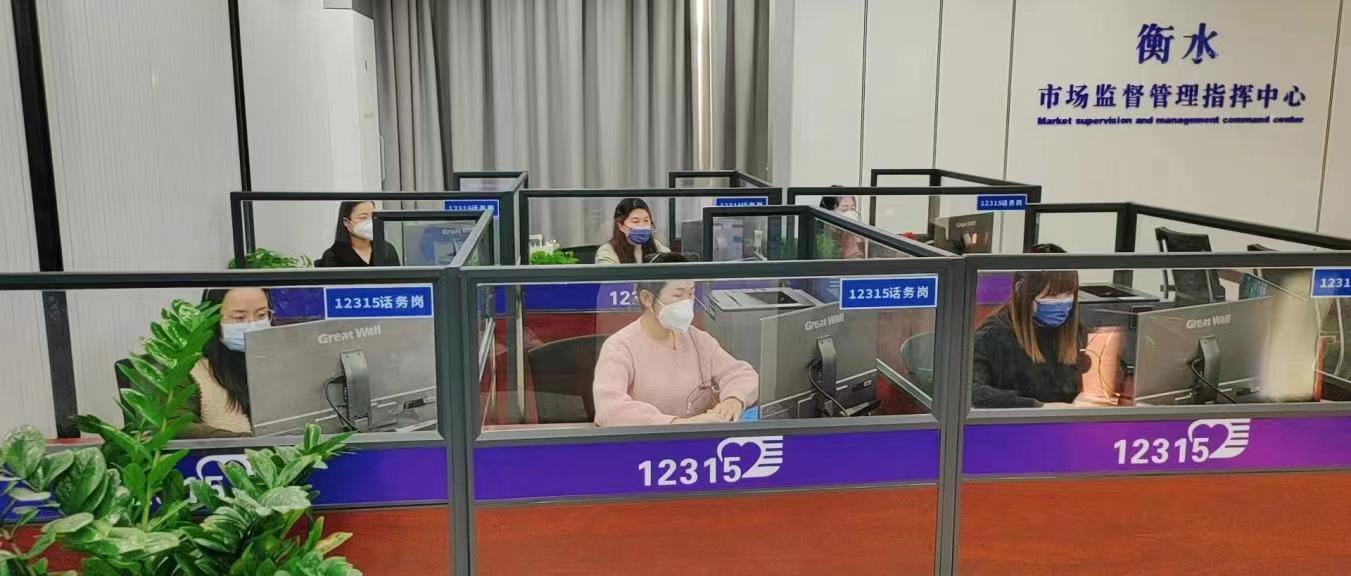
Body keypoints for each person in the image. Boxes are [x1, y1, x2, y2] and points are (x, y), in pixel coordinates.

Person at [592, 253, 758, 425]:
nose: (687, 303)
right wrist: (677, 424)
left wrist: (734, 399)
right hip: (649, 440)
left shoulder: (698, 339)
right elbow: (609, 410)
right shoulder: (619, 347)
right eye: (678, 296)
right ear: (647, 298)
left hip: (701, 439)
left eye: (691, 294)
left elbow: (742, 374)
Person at [971, 243, 1085, 408]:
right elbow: (973, 392)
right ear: (1022, 291)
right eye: (1051, 295)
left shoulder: (1075, 331)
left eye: (1068, 294)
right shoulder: (992, 337)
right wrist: (1037, 407)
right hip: (1016, 423)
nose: (1061, 302)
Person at [183, 288, 272, 438]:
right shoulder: (189, 371)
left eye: (261, 315)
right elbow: (177, 427)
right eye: (239, 317)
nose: (252, 325)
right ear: (212, 320)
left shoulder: (283, 363)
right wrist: (245, 442)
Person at [317, 200, 400, 267]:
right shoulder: (333, 256)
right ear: (346, 222)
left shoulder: (387, 249)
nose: (370, 222)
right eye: (363, 217)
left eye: (373, 216)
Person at [595, 198, 669, 265]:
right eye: (635, 221)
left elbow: (671, 263)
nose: (642, 226)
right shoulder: (607, 251)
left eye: (646, 220)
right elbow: (608, 274)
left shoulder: (656, 245)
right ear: (621, 226)